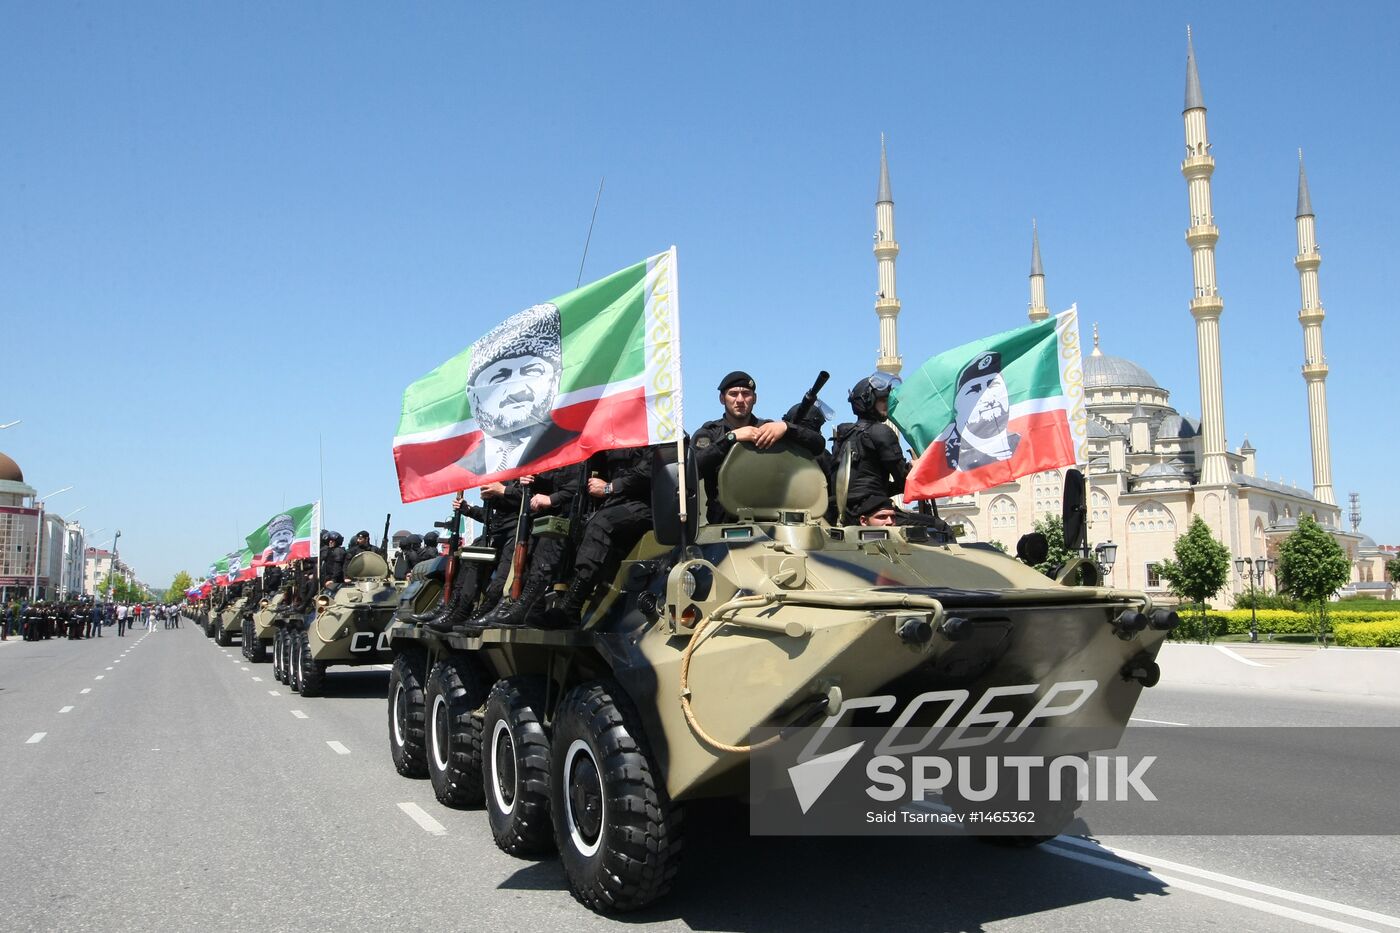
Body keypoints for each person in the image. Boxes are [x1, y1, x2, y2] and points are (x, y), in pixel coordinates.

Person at [458, 303, 581, 476]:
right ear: (473, 396)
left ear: (555, 381)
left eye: (533, 373)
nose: (518, 391)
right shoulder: (460, 467)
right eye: (500, 379)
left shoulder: (572, 448)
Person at [692, 371, 827, 523]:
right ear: (722, 399)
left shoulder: (769, 428)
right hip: (724, 525)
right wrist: (730, 438)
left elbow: (818, 445)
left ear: (754, 399)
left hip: (770, 522)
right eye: (733, 394)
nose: (740, 400)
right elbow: (693, 469)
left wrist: (787, 428)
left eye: (746, 394)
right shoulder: (710, 433)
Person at [548, 445, 654, 628]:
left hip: (648, 504)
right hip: (616, 504)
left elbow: (649, 470)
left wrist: (609, 488)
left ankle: (572, 605)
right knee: (579, 526)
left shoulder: (652, 428)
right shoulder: (611, 438)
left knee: (601, 523)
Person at [470, 465, 580, 630]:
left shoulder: (572, 457)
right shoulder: (543, 460)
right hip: (533, 521)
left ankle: (523, 609)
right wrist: (524, 483)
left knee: (543, 550)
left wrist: (551, 497)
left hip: (565, 517)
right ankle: (507, 606)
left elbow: (578, 483)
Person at [831, 373, 909, 521]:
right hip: (872, 511)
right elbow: (904, 480)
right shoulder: (881, 431)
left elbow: (869, 487)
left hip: (846, 513)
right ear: (868, 401)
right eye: (882, 399)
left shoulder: (843, 436)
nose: (887, 404)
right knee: (940, 528)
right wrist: (913, 468)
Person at [945, 351, 1021, 472]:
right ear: (955, 407)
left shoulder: (1025, 446)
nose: (988, 397)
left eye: (992, 385)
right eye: (975, 390)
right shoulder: (948, 464)